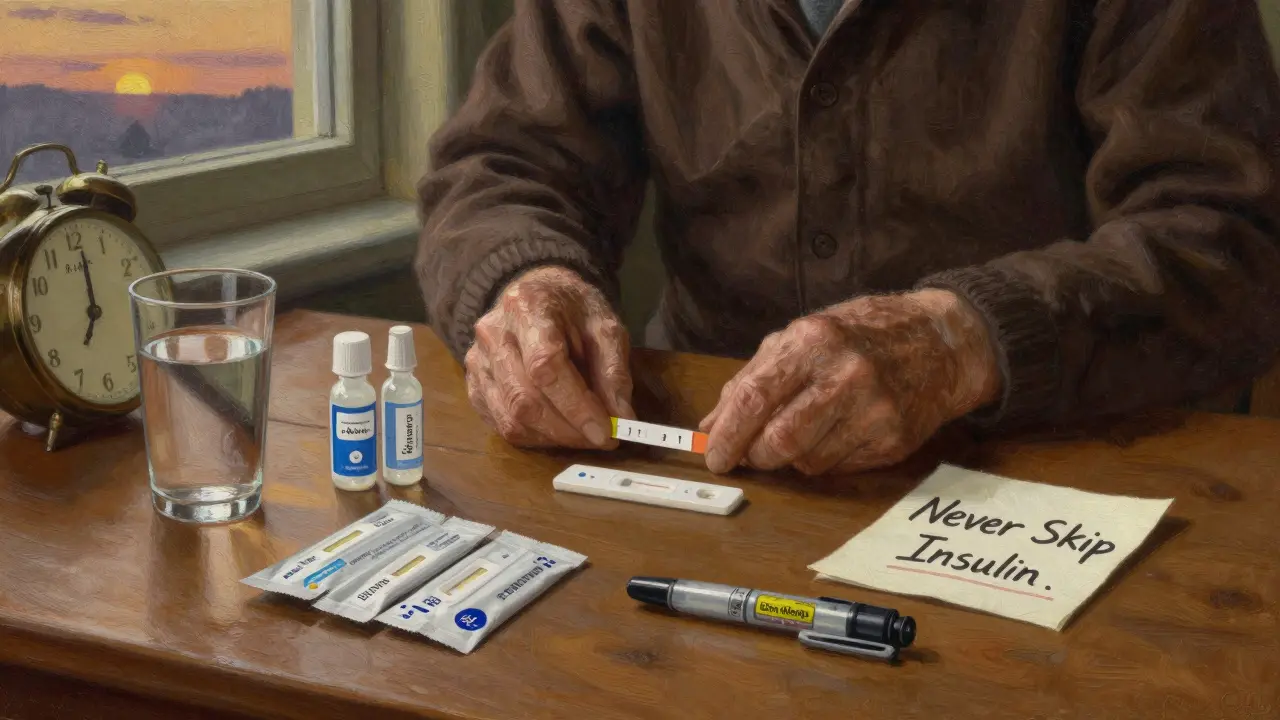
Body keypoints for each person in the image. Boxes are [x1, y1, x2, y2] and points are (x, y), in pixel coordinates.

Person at [415, 0, 1280, 477]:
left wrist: (962, 339)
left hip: (1047, 474)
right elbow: (505, 160)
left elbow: (1227, 240)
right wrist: (524, 283)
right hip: (702, 457)